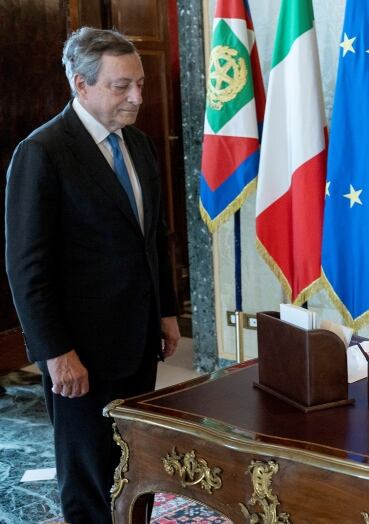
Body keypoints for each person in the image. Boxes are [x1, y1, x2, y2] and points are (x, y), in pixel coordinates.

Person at [5, 27, 180, 523]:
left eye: (140, 84)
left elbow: (154, 237)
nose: (138, 97)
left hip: (138, 339)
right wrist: (56, 355)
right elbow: (27, 267)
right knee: (86, 475)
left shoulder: (140, 145)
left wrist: (166, 311)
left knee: (133, 463)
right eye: (122, 85)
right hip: (79, 351)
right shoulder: (42, 153)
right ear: (81, 85)